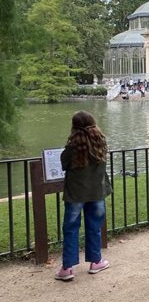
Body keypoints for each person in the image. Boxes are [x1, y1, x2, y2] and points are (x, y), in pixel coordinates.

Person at [55, 111, 112, 281]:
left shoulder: (73, 147)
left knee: (71, 229)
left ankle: (67, 267)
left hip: (76, 193)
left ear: (74, 126)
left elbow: (64, 163)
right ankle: (96, 261)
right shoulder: (100, 142)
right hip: (96, 192)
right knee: (94, 227)